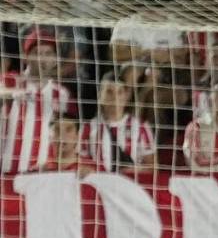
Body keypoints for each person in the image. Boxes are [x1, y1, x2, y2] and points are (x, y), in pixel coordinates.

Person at [1, 27, 73, 174]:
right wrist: (10, 94)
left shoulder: (62, 94)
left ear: (55, 60)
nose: (43, 58)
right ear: (26, 58)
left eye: (48, 53)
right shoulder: (10, 80)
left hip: (42, 172)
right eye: (37, 53)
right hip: (7, 168)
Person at [81, 70, 155, 173]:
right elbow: (80, 163)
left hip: (130, 184)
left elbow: (152, 167)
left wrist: (134, 170)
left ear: (125, 97)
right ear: (100, 97)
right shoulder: (87, 128)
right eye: (109, 92)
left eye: (119, 92)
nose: (115, 98)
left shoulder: (141, 127)